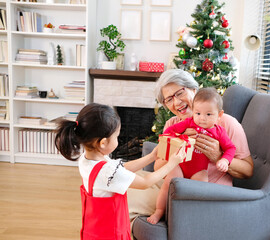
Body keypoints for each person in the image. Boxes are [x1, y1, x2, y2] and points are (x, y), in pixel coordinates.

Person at [127, 69, 253, 226]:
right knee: (121, 186)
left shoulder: (227, 124)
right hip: (173, 187)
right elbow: (158, 166)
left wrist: (219, 156)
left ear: (194, 90)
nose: (177, 102)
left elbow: (248, 170)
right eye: (169, 99)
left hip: (208, 193)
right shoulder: (172, 124)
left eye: (180, 93)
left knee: (127, 198)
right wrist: (178, 142)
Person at [55, 103, 186, 240]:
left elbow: (121, 168)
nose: (118, 139)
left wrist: (151, 157)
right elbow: (145, 183)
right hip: (111, 230)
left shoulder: (87, 159)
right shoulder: (107, 172)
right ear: (103, 143)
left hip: (95, 228)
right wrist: (172, 163)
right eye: (117, 136)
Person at [147, 87, 237, 224]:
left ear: (219, 115)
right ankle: (159, 211)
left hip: (199, 170)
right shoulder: (189, 123)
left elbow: (231, 148)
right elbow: (168, 132)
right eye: (198, 113)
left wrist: (225, 160)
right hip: (180, 165)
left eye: (208, 115)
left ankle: (192, 218)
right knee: (168, 185)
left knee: (200, 192)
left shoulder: (219, 132)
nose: (202, 118)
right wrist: (180, 137)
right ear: (193, 112)